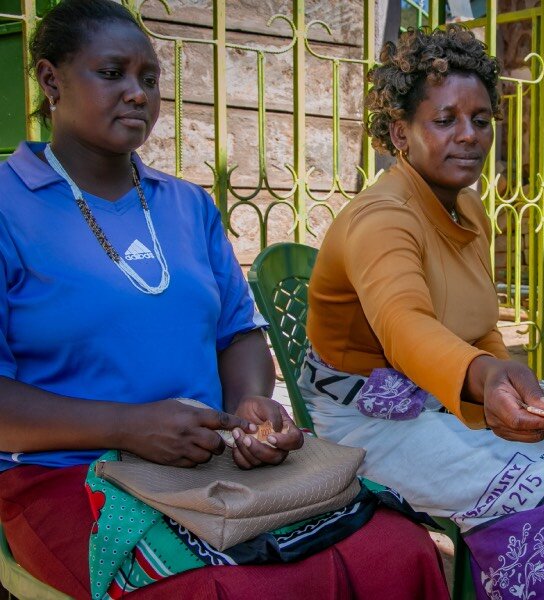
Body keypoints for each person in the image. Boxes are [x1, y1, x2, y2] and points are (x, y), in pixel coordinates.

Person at [0, 1, 448, 598]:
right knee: (228, 592)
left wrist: (249, 409)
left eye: (150, 79)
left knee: (397, 551)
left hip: (207, 463)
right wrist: (127, 426)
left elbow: (238, 333)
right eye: (112, 74)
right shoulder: (10, 204)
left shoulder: (186, 207)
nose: (138, 94)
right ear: (51, 80)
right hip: (65, 478)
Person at [301, 25, 544, 599]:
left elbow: (478, 327)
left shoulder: (466, 208)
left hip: (448, 396)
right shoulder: (381, 219)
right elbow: (404, 326)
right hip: (370, 421)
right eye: (445, 120)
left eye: (481, 119)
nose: (469, 136)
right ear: (400, 133)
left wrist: (505, 378)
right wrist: (483, 375)